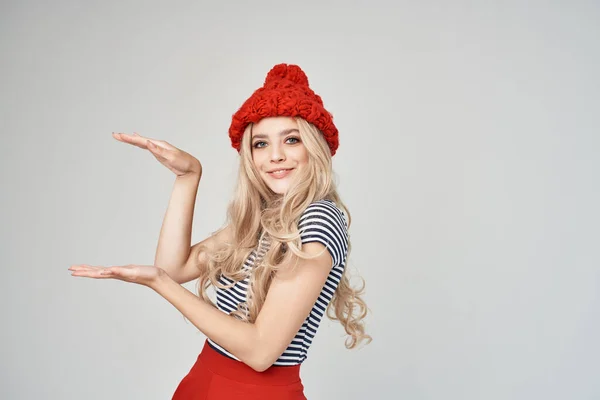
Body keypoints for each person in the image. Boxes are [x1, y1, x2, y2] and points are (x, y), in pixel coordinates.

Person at [69, 63, 371, 399]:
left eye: (291, 139)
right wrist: (188, 177)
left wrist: (159, 284)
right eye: (260, 144)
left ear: (314, 148)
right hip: (202, 381)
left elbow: (259, 353)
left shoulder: (318, 219)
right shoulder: (264, 218)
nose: (275, 156)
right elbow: (175, 267)